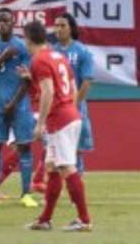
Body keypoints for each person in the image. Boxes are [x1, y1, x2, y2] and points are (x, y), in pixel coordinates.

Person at [24, 19, 92, 232]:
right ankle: (45, 219)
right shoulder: (59, 57)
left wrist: (41, 123)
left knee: (66, 167)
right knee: (52, 168)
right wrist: (68, 110)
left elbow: (48, 91)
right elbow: (72, 88)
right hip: (69, 115)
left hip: (60, 120)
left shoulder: (39, 60)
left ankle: (84, 219)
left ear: (28, 39)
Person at [0, 10, 38, 209]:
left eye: (6, 20)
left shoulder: (21, 47)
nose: (2, 23)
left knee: (25, 147)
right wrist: (3, 57)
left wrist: (14, 103)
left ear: (13, 24)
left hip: (19, 104)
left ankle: (26, 194)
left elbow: (27, 79)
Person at [53, 13, 95, 174]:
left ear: (71, 28)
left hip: (74, 106)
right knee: (55, 150)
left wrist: (74, 104)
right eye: (56, 25)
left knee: (76, 149)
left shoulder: (82, 51)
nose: (59, 29)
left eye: (63, 25)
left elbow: (86, 81)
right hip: (55, 107)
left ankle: (76, 187)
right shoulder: (52, 52)